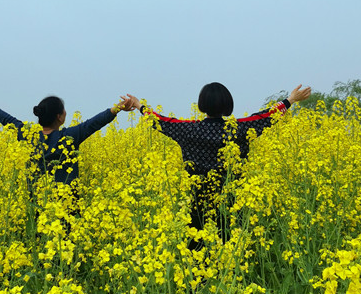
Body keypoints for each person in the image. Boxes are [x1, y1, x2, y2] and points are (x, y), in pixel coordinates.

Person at [126, 83, 311, 242]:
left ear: (202, 105)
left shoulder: (188, 130)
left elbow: (160, 121)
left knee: (197, 249)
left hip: (199, 203)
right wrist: (290, 100)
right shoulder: (240, 129)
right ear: (227, 104)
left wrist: (139, 105)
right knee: (231, 247)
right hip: (232, 203)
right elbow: (266, 117)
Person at [0, 92, 136, 190]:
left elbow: (6, 119)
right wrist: (117, 108)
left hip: (37, 206)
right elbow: (94, 123)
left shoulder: (28, 135)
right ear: (59, 117)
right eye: (64, 111)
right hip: (66, 209)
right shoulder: (69, 137)